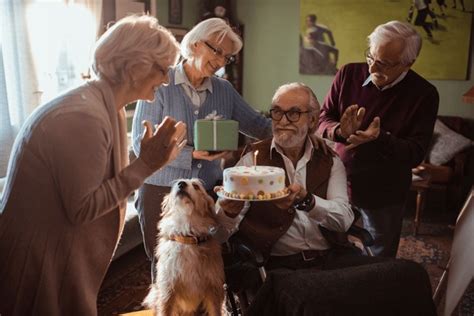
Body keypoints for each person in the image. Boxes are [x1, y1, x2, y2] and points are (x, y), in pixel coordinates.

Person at [0, 15, 187, 315]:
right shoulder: (82, 116)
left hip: (56, 253)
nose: (166, 79)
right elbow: (82, 208)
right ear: (135, 66)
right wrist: (146, 164)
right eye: (163, 69)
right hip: (38, 261)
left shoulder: (103, 106)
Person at [216, 83, 436, 315]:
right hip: (281, 268)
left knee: (411, 274)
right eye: (277, 111)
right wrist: (227, 212)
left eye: (294, 113)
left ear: (312, 121)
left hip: (333, 260)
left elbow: (343, 220)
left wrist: (308, 201)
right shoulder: (251, 163)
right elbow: (219, 235)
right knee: (309, 301)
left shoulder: (330, 161)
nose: (282, 120)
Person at [131, 17, 272, 278]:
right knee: (164, 260)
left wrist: (300, 126)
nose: (220, 62)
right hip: (161, 190)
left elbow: (258, 125)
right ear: (195, 44)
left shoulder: (224, 90)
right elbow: (141, 143)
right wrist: (190, 155)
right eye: (217, 51)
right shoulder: (161, 83)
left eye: (227, 57)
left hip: (205, 191)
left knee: (207, 256)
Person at [317, 21, 439, 257]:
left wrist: (379, 139)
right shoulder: (348, 74)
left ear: (408, 63)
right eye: (371, 58)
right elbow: (323, 118)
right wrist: (340, 132)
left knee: (378, 259)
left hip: (385, 192)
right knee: (329, 248)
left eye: (384, 63)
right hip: (337, 182)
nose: (373, 69)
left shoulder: (424, 94)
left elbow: (415, 152)